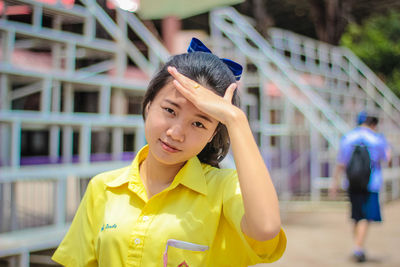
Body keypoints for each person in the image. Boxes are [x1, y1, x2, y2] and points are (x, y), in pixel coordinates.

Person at [52, 38, 286, 266]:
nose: (176, 133)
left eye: (199, 124)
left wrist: (235, 119)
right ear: (148, 104)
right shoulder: (102, 187)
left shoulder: (225, 189)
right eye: (170, 110)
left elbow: (265, 228)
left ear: (213, 135)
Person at [330, 112, 391, 263]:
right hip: (372, 183)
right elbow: (387, 158)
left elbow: (341, 163)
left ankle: (358, 245)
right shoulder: (377, 138)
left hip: (352, 182)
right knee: (365, 216)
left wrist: (334, 182)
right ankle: (358, 248)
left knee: (357, 216)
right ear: (372, 123)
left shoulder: (348, 137)